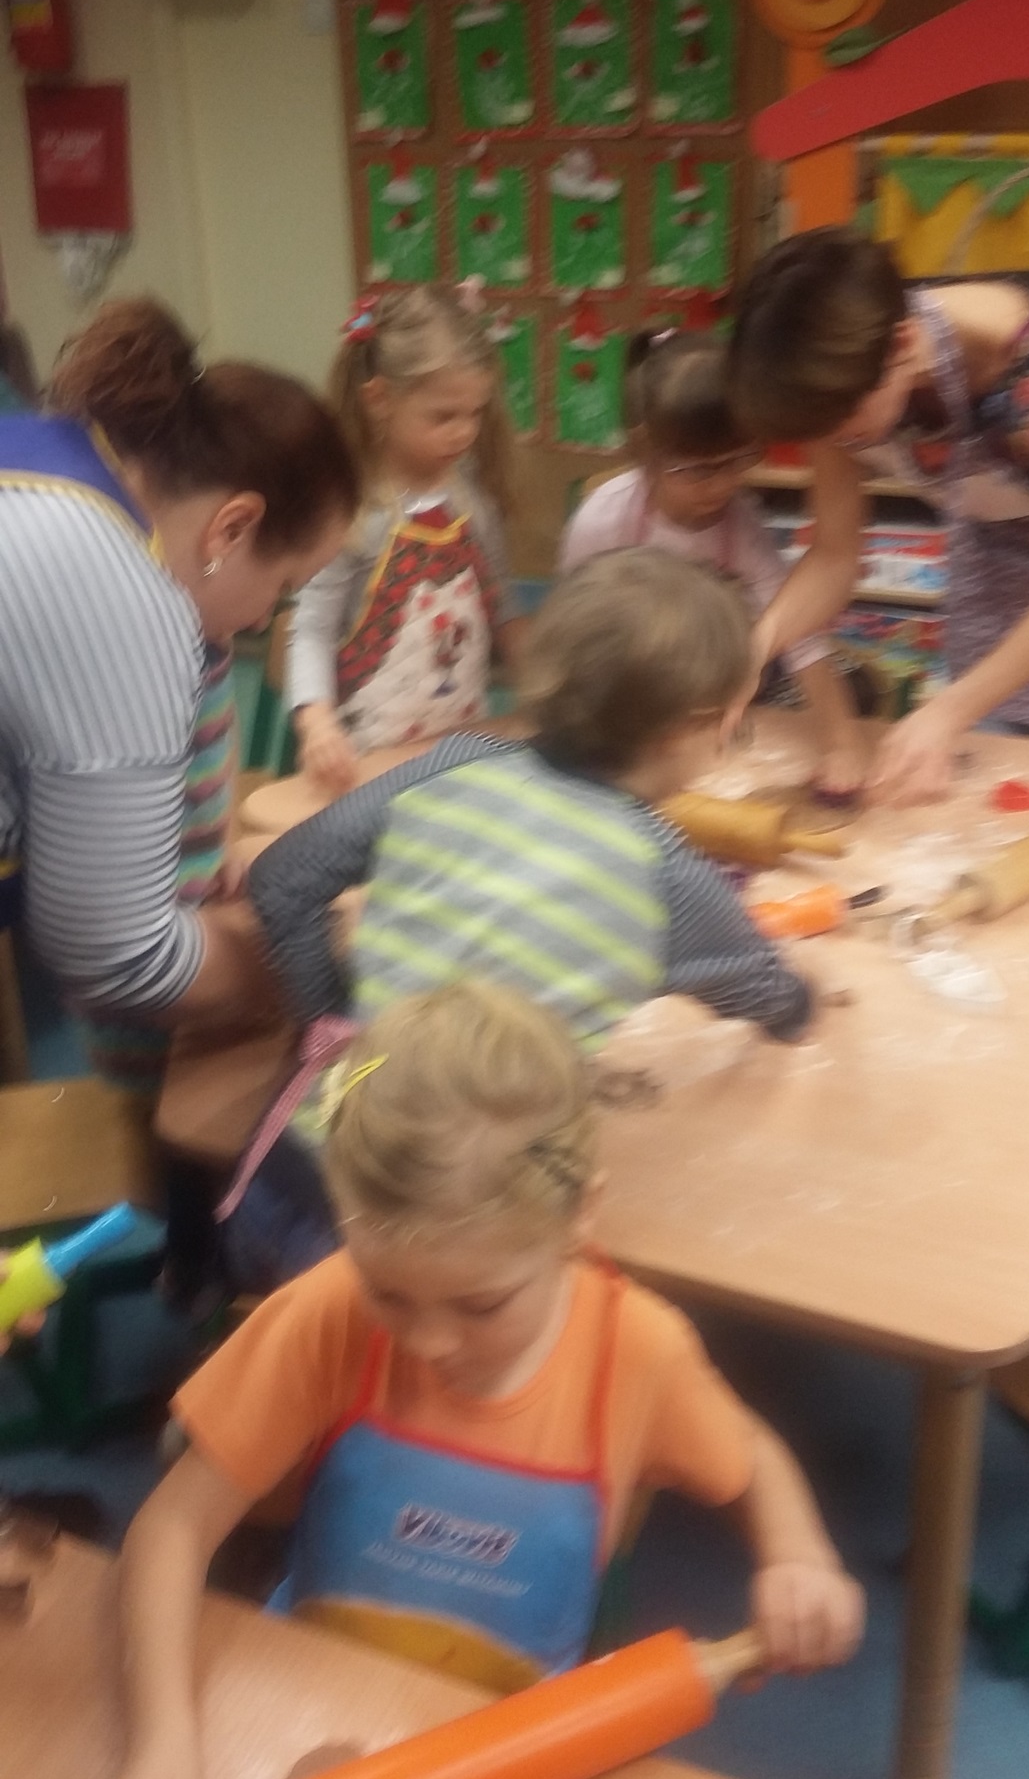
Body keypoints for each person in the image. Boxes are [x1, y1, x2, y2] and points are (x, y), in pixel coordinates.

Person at [101, 982, 864, 1779]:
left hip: (518, 1742)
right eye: (390, 1292)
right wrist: (162, 1733)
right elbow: (171, 1530)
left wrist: (797, 1554)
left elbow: (751, 1459)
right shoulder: (328, 1313)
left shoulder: (638, 1352)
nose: (429, 1343)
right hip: (319, 1701)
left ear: (579, 1217)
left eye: (481, 1305)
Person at [224, 550, 814, 1291]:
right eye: (733, 721)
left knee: (285, 1345)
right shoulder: (668, 877)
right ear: (687, 732)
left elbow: (282, 880)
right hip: (424, 1256)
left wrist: (335, 1020)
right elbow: (773, 998)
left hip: (287, 1179)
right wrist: (806, 995)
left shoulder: (453, 763)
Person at [0, 299, 357, 1308]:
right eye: (283, 587)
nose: (269, 617)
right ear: (231, 527)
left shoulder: (51, 456)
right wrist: (288, 965)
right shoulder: (123, 595)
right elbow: (116, 955)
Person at [730, 228, 1029, 805]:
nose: (835, 442)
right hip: (996, 591)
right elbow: (834, 557)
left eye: (844, 425)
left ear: (902, 344)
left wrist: (950, 710)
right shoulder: (843, 362)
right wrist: (756, 648)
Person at [561, 328, 865, 796]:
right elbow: (571, 641)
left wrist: (841, 742)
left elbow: (800, 637)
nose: (722, 485)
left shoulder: (741, 526)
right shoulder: (602, 521)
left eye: (738, 460)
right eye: (698, 469)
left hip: (720, 695)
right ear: (646, 451)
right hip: (630, 695)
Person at [287, 283, 526, 793]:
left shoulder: (472, 500)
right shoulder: (354, 512)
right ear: (379, 400)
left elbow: (502, 608)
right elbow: (311, 631)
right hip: (368, 762)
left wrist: (541, 682)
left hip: (460, 748)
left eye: (475, 413)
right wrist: (317, 724)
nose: (464, 432)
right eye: (444, 416)